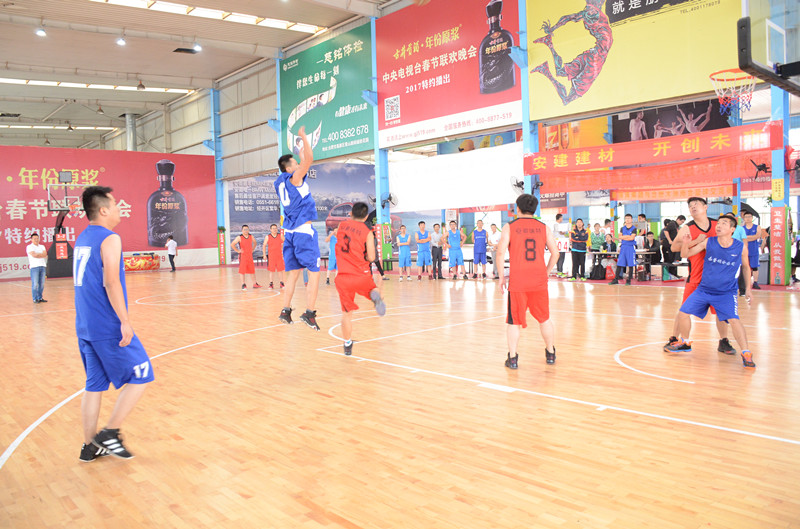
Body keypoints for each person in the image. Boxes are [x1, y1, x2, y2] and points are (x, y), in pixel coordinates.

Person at [74, 186, 155, 461]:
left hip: (85, 324)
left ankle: (89, 446)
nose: (120, 208)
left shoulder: (83, 237)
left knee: (94, 385)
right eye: (115, 204)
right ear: (103, 210)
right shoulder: (109, 238)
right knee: (142, 373)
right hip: (106, 324)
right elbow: (111, 282)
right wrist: (125, 321)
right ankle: (110, 432)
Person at [666, 214, 756, 368]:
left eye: (724, 223)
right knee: (683, 313)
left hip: (726, 293)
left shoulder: (740, 247)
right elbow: (685, 254)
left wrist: (748, 288)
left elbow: (746, 267)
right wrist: (686, 243)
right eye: (718, 223)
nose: (719, 226)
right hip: (704, 290)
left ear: (732, 229)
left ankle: (746, 352)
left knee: (734, 320)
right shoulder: (709, 242)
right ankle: (685, 342)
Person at [665, 197, 735, 354]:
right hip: (696, 277)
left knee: (720, 312)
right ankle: (675, 338)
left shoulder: (718, 225)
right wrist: (695, 241)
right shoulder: (687, 228)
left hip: (716, 278)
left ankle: (724, 341)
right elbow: (674, 247)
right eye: (690, 206)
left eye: (696, 204)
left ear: (705, 207)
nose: (693, 207)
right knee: (684, 310)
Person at [496, 194, 559, 369]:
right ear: (534, 209)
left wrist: (501, 277)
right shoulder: (544, 227)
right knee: (544, 318)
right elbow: (555, 254)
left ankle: (513, 358)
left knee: (514, 321)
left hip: (518, 281)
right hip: (539, 280)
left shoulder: (509, 227)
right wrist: (546, 272)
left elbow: (500, 253)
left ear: (518, 208)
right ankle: (550, 353)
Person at [274, 126, 320, 330]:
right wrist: (304, 138)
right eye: (295, 163)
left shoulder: (280, 182)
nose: (298, 165)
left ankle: (285, 311)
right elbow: (309, 160)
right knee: (314, 272)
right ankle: (309, 313)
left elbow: (303, 162)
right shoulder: (295, 179)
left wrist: (299, 156)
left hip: (290, 233)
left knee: (293, 274)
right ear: (289, 168)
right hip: (303, 233)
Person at [530, 0, 613, 105]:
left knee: (562, 74)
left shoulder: (594, 15)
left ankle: (548, 48)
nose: (589, 11)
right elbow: (568, 17)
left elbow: (569, 17)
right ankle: (546, 66)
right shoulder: (591, 13)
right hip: (596, 58)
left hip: (594, 54)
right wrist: (552, 28)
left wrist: (552, 28)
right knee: (570, 96)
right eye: (588, 8)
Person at [334, 202, 387, 356]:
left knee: (346, 315)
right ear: (366, 216)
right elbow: (371, 257)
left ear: (351, 213)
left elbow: (339, 236)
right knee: (374, 289)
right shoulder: (367, 231)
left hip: (343, 277)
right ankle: (374, 295)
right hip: (361, 274)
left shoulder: (342, 226)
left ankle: (347, 344)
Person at [609, 214, 637, 285]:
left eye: (629, 218)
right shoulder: (622, 228)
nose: (627, 220)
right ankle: (616, 279)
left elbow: (632, 238)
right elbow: (620, 237)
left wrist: (625, 237)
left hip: (630, 247)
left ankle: (629, 280)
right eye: (626, 218)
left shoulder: (634, 228)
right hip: (623, 247)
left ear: (631, 219)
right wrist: (628, 236)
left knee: (630, 264)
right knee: (619, 263)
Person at [230, 225, 260, 290]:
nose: (246, 231)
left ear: (248, 230)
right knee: (242, 271)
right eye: (244, 229)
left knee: (252, 270)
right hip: (243, 256)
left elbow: (255, 242)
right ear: (242, 230)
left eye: (247, 229)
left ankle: (255, 284)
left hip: (249, 256)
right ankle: (243, 284)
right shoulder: (239, 237)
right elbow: (232, 244)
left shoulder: (251, 236)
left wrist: (253, 249)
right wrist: (238, 251)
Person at [742, 211, 763, 289]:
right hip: (744, 250)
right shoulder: (742, 228)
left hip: (754, 250)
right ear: (744, 218)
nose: (748, 218)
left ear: (752, 218)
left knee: (755, 267)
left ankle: (755, 282)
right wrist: (752, 237)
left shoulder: (757, 227)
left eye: (749, 216)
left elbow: (757, 236)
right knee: (744, 267)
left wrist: (747, 238)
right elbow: (742, 238)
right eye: (746, 217)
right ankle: (745, 282)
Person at [262, 224, 285, 289]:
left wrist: (282, 247)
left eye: (275, 228)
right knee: (271, 271)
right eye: (273, 228)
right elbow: (264, 245)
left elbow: (286, 242)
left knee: (280, 270)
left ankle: (281, 283)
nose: (275, 229)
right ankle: (271, 283)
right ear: (270, 229)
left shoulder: (280, 236)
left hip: (279, 256)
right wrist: (264, 254)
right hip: (271, 256)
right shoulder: (268, 237)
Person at [26, 232, 47, 303]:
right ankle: (35, 298)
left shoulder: (42, 246)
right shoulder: (29, 247)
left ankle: (40, 297)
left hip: (42, 266)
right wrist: (41, 255)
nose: (36, 240)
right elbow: (34, 255)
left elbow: (45, 254)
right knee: (35, 284)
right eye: (34, 238)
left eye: (37, 238)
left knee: (42, 284)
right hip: (34, 267)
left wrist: (39, 255)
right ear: (31, 239)